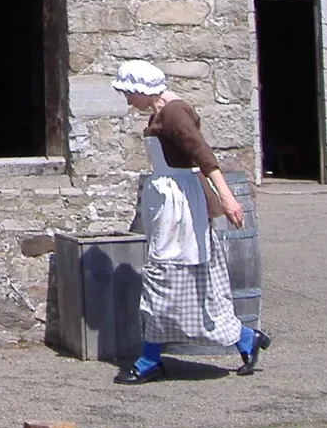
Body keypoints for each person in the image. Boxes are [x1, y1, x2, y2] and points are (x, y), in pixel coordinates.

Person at [110, 59, 271, 384]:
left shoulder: (174, 112)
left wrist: (226, 197)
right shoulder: (160, 112)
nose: (127, 99)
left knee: (164, 274)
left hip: (179, 205)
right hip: (169, 200)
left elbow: (202, 154)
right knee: (175, 277)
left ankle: (150, 359)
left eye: (129, 92)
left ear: (143, 88)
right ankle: (245, 338)